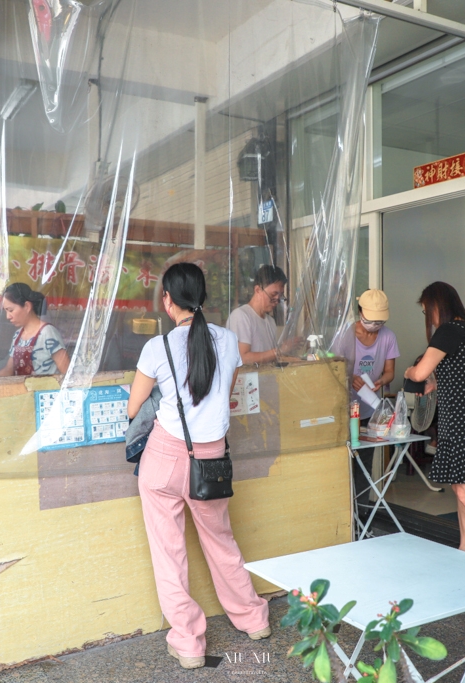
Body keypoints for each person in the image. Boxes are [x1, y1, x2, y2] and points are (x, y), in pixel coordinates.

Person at [127, 263, 270, 670]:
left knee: (169, 553)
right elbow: (222, 393)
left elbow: (134, 407)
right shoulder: (227, 340)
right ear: (203, 297)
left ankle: (189, 643)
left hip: (165, 458)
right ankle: (253, 618)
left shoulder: (157, 348)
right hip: (210, 459)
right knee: (221, 541)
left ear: (168, 301)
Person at [404, 282, 465, 558]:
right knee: (462, 489)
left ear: (437, 305)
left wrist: (410, 371)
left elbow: (420, 373)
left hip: (463, 420)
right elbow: (463, 376)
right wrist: (438, 383)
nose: (428, 317)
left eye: (426, 310)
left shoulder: (448, 331)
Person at [332, 290, 400, 510]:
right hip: (344, 408)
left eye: (380, 321)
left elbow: (390, 371)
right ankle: (343, 513)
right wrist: (349, 377)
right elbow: (332, 367)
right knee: (342, 462)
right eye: (371, 320)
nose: (374, 325)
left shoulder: (388, 336)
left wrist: (381, 381)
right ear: (360, 312)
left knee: (364, 464)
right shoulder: (346, 334)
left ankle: (361, 512)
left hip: (369, 410)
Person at [0, 283, 69, 377]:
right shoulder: (18, 335)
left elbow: (66, 373)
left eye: (11, 310)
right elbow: (9, 370)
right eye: (6, 311)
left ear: (27, 306)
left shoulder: (47, 333)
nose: (8, 316)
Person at [227, 265, 297, 364]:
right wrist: (280, 350)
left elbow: (270, 358)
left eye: (280, 296)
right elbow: (242, 358)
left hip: (266, 377)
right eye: (273, 295)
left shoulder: (270, 321)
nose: (277, 301)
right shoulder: (241, 316)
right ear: (258, 290)